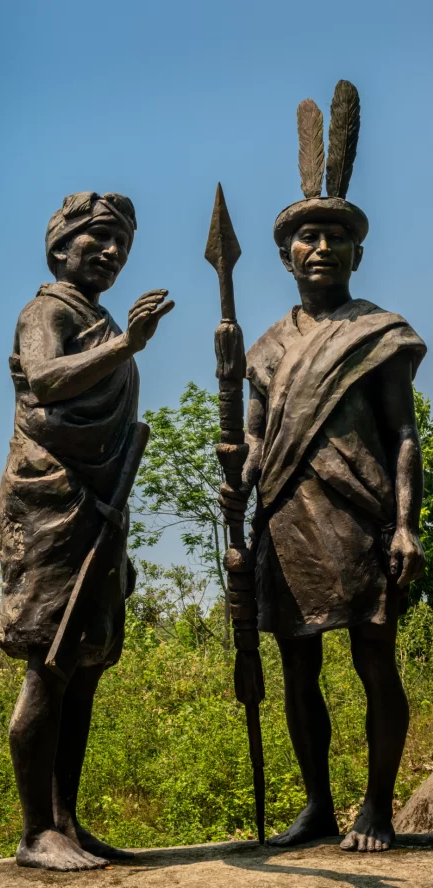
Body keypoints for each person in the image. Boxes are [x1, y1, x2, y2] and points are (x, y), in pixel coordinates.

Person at [219, 82, 426, 852]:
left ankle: (374, 805)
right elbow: (254, 435)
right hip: (285, 520)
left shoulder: (379, 332)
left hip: (360, 515)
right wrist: (233, 483)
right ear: (284, 254)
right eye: (305, 238)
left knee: (374, 659)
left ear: (355, 252)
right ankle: (316, 806)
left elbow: (404, 434)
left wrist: (405, 524)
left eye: (334, 238)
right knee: (296, 665)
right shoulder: (267, 345)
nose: (319, 247)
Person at [0, 190, 174, 871]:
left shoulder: (97, 319)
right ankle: (34, 828)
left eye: (121, 246)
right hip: (50, 508)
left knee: (85, 668)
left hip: (102, 504)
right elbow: (43, 381)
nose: (111, 253)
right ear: (60, 244)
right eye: (99, 238)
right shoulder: (46, 311)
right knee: (49, 664)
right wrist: (129, 343)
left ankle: (66, 821)